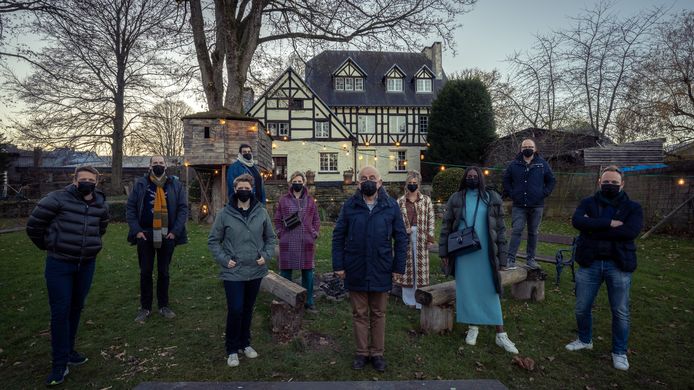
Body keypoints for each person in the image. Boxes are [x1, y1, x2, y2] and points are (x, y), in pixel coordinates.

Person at [26, 165, 110, 386]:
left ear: (97, 182)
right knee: (60, 312)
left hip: (86, 265)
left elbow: (101, 227)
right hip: (59, 264)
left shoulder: (100, 202)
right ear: (74, 180)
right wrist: (51, 245)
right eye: (83, 179)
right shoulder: (56, 199)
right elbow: (34, 225)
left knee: (75, 308)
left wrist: (90, 246)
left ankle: (70, 351)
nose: (87, 182)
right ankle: (59, 364)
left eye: (91, 180)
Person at [565, 165, 643, 371]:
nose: (609, 185)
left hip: (618, 265)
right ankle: (584, 339)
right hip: (589, 263)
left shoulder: (633, 207)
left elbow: (630, 231)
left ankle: (619, 351)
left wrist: (593, 227)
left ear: (622, 184)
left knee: (620, 311)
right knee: (582, 307)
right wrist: (609, 223)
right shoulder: (588, 202)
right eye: (606, 182)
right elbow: (577, 221)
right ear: (599, 182)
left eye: (614, 183)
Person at [332, 165, 408, 372]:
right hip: (355, 266)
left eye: (372, 177)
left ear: (380, 182)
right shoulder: (350, 206)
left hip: (381, 267)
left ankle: (377, 353)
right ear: (358, 183)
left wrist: (398, 267)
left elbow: (401, 238)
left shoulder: (391, 206)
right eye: (364, 178)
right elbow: (338, 236)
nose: (368, 180)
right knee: (359, 313)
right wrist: (338, 264)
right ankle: (361, 352)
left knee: (378, 312)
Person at [439, 166, 519, 354]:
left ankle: (501, 334)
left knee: (491, 291)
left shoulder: (491, 198)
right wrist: (444, 252)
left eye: (475, 176)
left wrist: (503, 258)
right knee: (468, 291)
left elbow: (500, 230)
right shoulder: (456, 198)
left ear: (481, 178)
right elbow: (446, 226)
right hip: (463, 252)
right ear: (464, 179)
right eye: (469, 176)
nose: (472, 179)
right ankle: (473, 328)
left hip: (486, 254)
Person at [208, 173, 277, 368]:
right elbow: (213, 240)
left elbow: (271, 238)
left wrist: (266, 255)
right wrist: (223, 259)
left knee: (247, 309)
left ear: (252, 190)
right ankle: (231, 348)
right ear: (235, 190)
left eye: (247, 188)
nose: (244, 191)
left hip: (255, 269)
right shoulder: (225, 214)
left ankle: (245, 343)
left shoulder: (261, 212)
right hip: (233, 271)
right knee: (236, 309)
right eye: (240, 188)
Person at [127, 156, 188, 323]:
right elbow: (131, 208)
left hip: (167, 234)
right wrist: (137, 231)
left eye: (161, 163)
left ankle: (164, 305)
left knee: (164, 272)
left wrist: (175, 232)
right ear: (150, 166)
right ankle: (145, 308)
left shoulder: (175, 184)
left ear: (166, 166)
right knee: (145, 272)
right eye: (155, 163)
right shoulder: (141, 184)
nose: (158, 165)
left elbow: (183, 208)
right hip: (145, 234)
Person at [502, 138, 556, 269]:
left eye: (530, 146)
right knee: (517, 231)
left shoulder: (542, 164)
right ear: (521, 149)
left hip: (536, 206)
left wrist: (543, 193)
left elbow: (551, 180)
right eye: (525, 146)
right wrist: (512, 193)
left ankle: (530, 259)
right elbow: (506, 180)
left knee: (533, 232)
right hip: (519, 205)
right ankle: (510, 259)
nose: (528, 148)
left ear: (535, 149)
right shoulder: (514, 164)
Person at [273, 171, 320, 311]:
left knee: (308, 273)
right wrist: (280, 233)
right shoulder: (283, 200)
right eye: (295, 181)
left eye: (300, 181)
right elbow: (277, 219)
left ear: (304, 183)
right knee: (286, 272)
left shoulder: (310, 200)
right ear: (290, 182)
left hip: (306, 240)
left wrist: (314, 233)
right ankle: (286, 299)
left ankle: (308, 301)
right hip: (288, 240)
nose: (297, 183)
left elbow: (316, 219)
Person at [393, 170, 435, 309]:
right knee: (408, 268)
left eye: (415, 183)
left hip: (422, 236)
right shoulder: (400, 201)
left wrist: (430, 238)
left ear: (419, 184)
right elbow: (395, 221)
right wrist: (404, 230)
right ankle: (409, 300)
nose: (412, 185)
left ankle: (421, 300)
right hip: (405, 237)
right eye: (410, 183)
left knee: (421, 269)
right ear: (406, 184)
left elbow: (431, 220)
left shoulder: (426, 200)